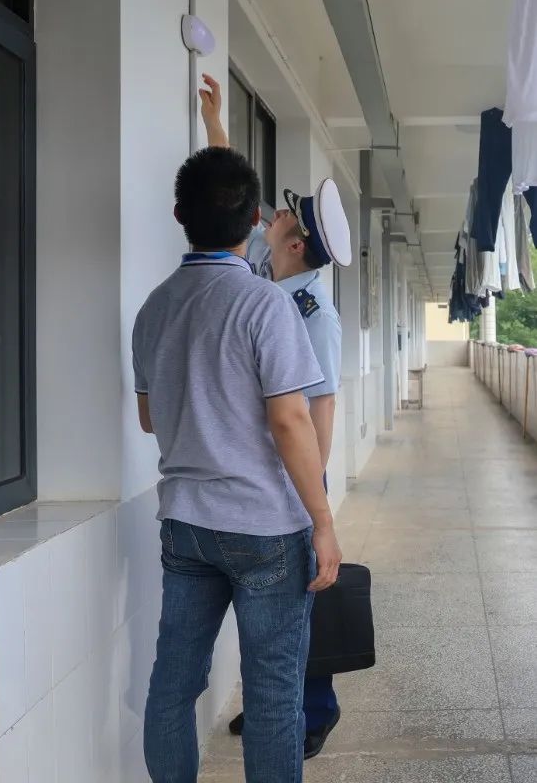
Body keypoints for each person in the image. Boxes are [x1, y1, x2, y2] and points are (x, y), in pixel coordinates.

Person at [133, 119, 343, 780]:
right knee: (274, 695)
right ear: (253, 219)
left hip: (185, 522)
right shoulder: (264, 304)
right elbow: (290, 420)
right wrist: (323, 520)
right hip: (265, 528)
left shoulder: (154, 308)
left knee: (173, 684)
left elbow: (149, 418)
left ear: (178, 217)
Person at [199, 74, 351, 760]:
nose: (272, 218)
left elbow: (323, 404)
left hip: (293, 475)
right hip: (254, 470)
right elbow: (234, 202)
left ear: (294, 245)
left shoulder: (313, 314)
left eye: (284, 219)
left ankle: (311, 712)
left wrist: (310, 494)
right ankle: (275, 706)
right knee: (272, 605)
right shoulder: (270, 268)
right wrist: (215, 123)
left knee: (301, 600)